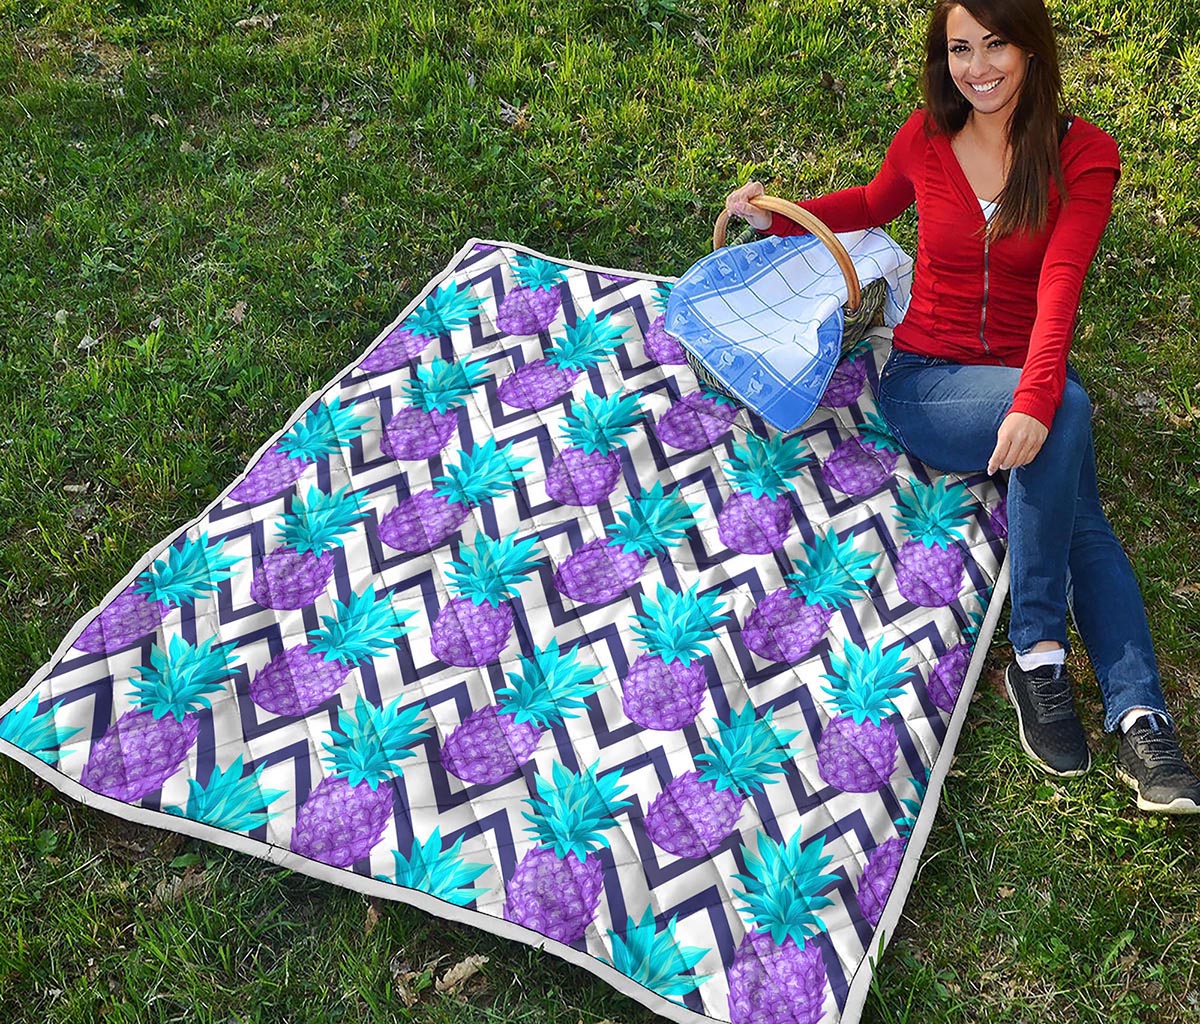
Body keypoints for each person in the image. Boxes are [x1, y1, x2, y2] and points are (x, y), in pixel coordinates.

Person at [724, 0, 1200, 814]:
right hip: (927, 383)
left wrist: (1035, 397)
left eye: (996, 44)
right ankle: (1042, 656)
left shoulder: (1083, 155)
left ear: (1032, 49)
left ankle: (1138, 717)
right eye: (959, 48)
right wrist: (778, 220)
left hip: (1022, 379)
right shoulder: (926, 137)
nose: (977, 68)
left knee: (1078, 501)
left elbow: (1061, 284)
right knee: (1068, 415)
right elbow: (870, 204)